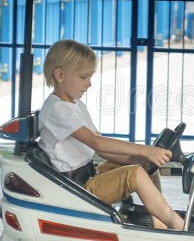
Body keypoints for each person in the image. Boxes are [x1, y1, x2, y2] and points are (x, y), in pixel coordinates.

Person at [37, 39, 184, 230]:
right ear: (59, 75)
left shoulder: (75, 105)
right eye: (83, 77)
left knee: (144, 164)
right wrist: (146, 150)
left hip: (89, 175)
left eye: (90, 77)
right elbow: (97, 143)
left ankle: (160, 214)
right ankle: (177, 226)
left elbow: (105, 151)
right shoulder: (56, 109)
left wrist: (144, 156)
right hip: (77, 189)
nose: (89, 84)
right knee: (135, 174)